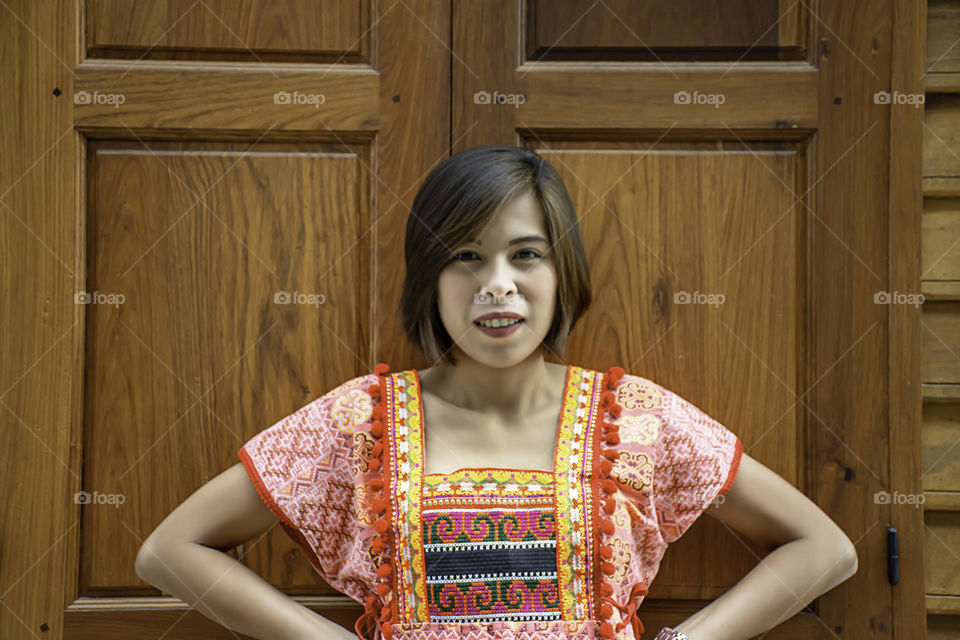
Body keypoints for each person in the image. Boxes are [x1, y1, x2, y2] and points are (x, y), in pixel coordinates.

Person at [136, 145, 859, 640]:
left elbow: (824, 547)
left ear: (561, 271)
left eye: (525, 255)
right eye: (466, 257)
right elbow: (169, 551)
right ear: (431, 277)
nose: (497, 285)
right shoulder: (363, 421)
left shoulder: (634, 421)